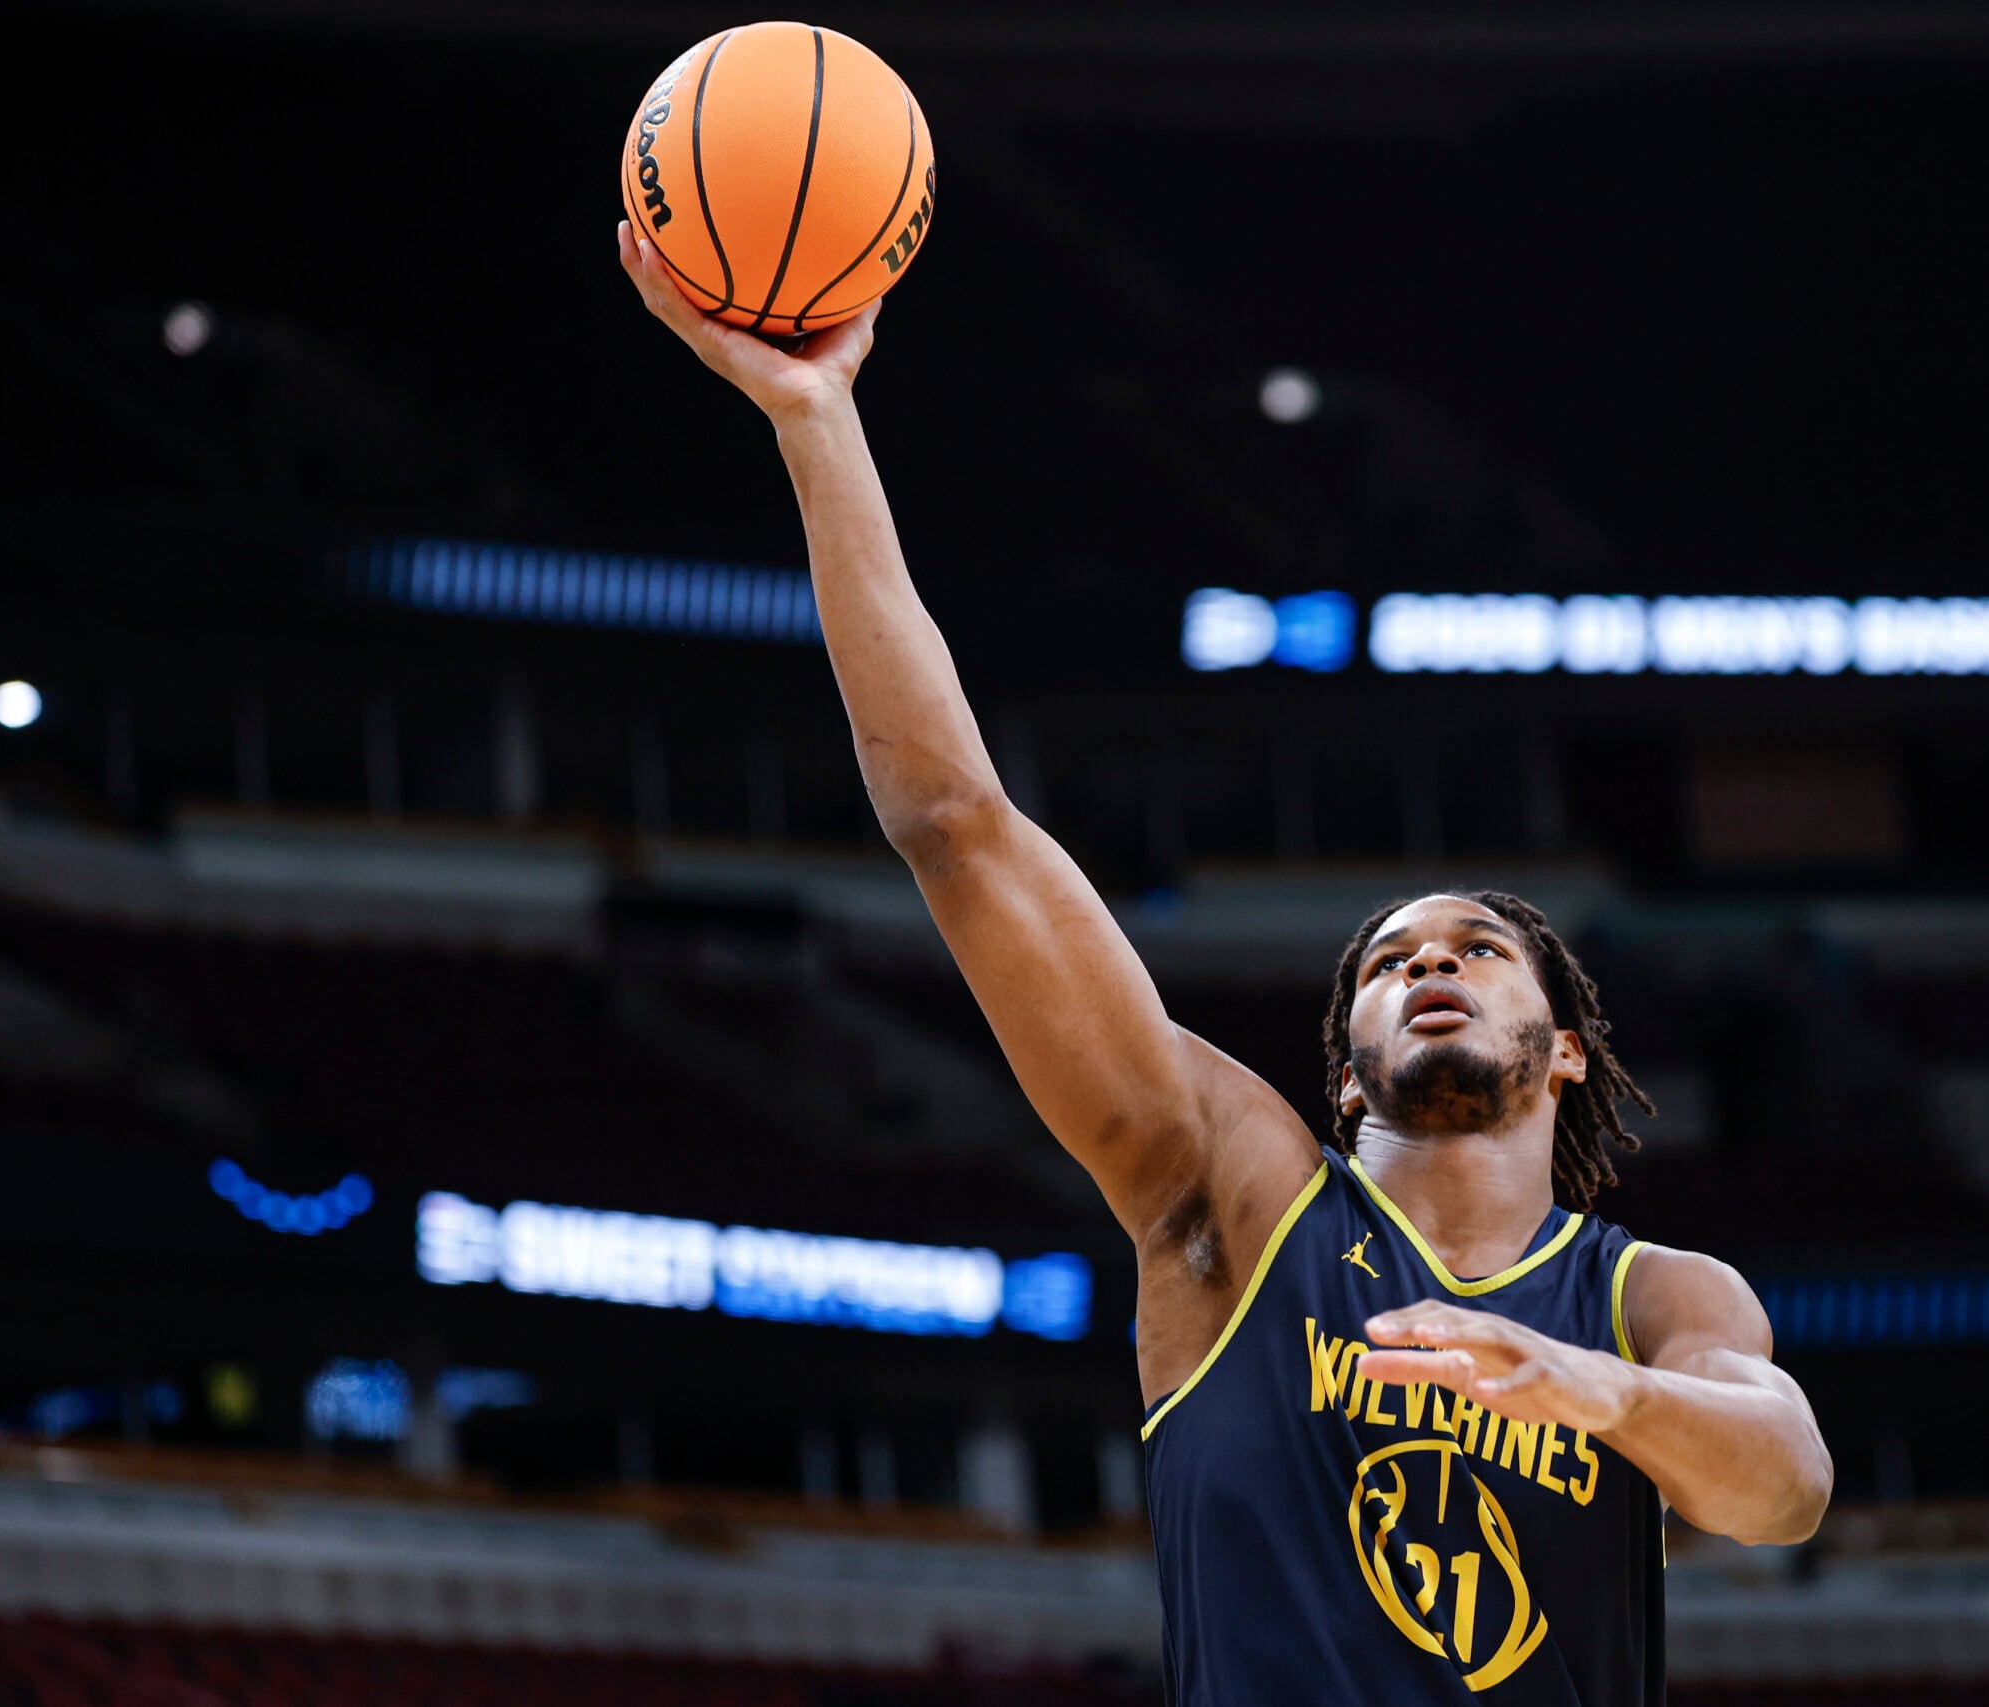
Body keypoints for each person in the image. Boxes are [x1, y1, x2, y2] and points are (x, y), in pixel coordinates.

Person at [618, 224, 1832, 1706]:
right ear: (1345, 1066)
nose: (1429, 962)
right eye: (1389, 961)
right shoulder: (1238, 1202)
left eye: (1480, 948)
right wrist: (819, 424)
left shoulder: (1652, 1301)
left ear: (1567, 1043)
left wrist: (1604, 1392)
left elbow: (1782, 1488)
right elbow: (957, 827)